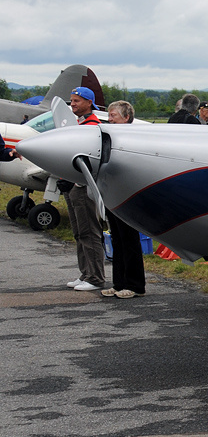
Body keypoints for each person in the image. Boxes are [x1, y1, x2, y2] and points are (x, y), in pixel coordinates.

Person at [102, 101, 146, 299]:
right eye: (109, 116)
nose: (109, 119)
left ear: (126, 118)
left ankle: (136, 285)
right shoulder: (109, 137)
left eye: (114, 116)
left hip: (127, 195)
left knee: (129, 239)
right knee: (117, 239)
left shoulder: (132, 139)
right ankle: (119, 282)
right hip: (112, 193)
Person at [65, 86, 105, 292]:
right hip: (73, 185)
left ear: (89, 103)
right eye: (71, 101)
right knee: (80, 233)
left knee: (89, 231)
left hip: (83, 185)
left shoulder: (92, 126)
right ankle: (85, 273)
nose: (72, 104)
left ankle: (96, 277)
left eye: (77, 101)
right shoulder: (80, 123)